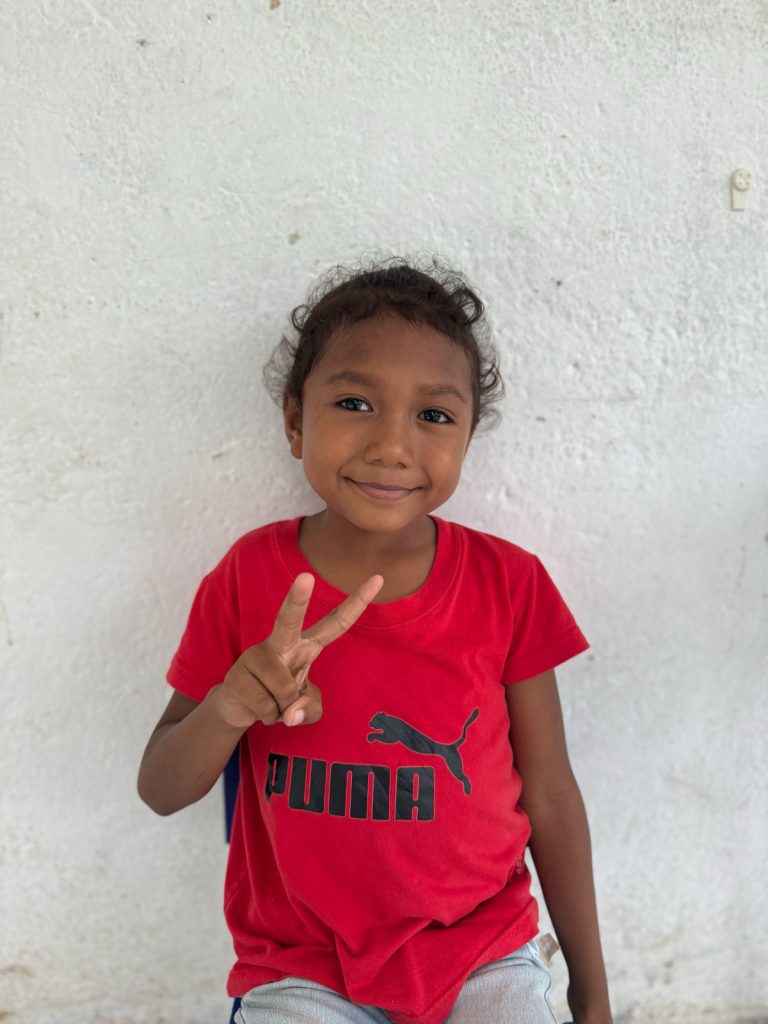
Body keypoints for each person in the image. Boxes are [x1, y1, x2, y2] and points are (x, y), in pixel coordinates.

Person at [137, 257, 613, 1024]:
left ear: (468, 436)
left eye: (434, 415)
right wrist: (230, 706)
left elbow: (551, 796)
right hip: (302, 968)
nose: (392, 446)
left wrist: (591, 994)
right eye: (355, 402)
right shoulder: (248, 579)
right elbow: (160, 787)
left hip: (481, 952)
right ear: (296, 421)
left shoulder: (508, 585)